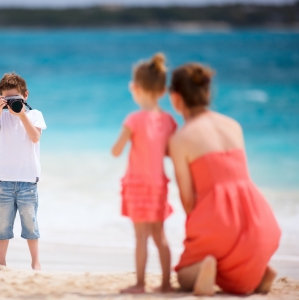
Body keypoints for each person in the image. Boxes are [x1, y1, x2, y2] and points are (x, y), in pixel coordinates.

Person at [168, 63, 281, 296]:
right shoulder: (233, 126)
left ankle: (203, 269)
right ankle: (259, 275)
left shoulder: (181, 139)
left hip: (218, 220)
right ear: (207, 93)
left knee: (183, 275)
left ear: (175, 98)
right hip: (259, 219)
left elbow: (188, 202)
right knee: (235, 277)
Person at [112, 53, 177, 294]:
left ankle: (140, 284)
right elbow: (171, 152)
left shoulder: (133, 119)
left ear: (135, 88)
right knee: (160, 236)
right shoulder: (168, 120)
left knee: (141, 237)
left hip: (138, 185)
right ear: (162, 90)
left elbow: (116, 151)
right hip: (159, 185)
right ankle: (167, 283)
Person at [0, 73, 47, 270]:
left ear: (25, 96)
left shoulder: (35, 115)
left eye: (15, 100)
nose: (11, 105)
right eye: (7, 100)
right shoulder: (1, 117)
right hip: (5, 180)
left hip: (28, 180)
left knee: (30, 223)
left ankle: (35, 262)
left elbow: (35, 137)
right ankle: (1, 262)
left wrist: (21, 115)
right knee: (3, 225)